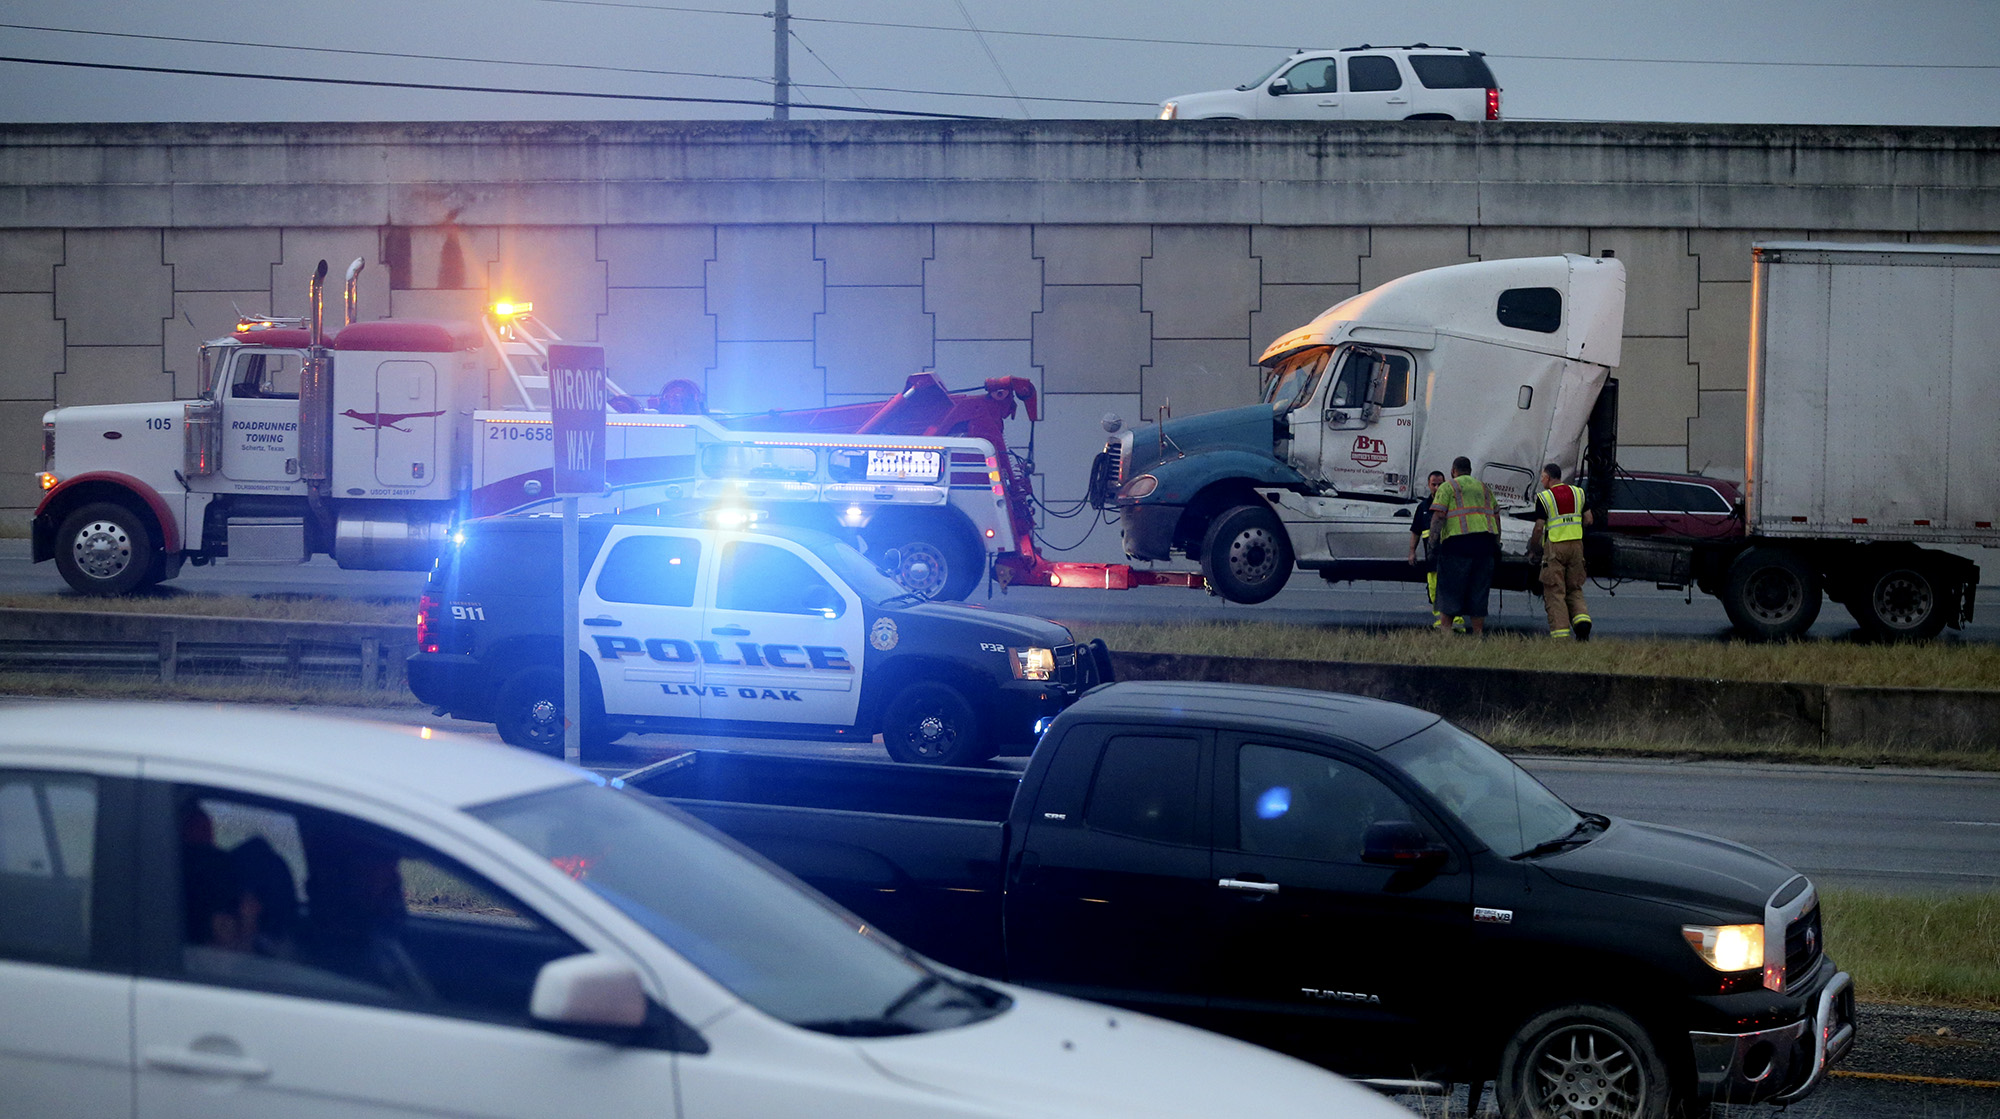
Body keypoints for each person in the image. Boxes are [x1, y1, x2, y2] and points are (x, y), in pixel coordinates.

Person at [1428, 456, 1499, 635]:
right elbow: (1496, 516)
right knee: (1479, 591)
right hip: (1484, 546)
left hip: (1456, 547)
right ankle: (1478, 634)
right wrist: (1496, 544)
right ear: (1470, 470)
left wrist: (1432, 544)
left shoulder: (1448, 487)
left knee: (1450, 589)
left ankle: (1446, 632)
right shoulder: (1484, 488)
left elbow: (1438, 517)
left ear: (1453, 470)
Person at [1531, 462, 1594, 640]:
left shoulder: (1545, 498)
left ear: (1549, 478)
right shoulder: (1578, 492)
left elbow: (1538, 528)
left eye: (1543, 477)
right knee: (1574, 588)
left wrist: (1534, 548)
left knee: (1555, 590)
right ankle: (1582, 620)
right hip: (1576, 546)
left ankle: (1560, 635)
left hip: (1555, 548)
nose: (1542, 480)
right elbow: (1589, 519)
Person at [1406, 470, 1458, 631]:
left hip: (1451, 556)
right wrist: (1412, 552)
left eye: (1440, 484)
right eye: (1433, 484)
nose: (1437, 487)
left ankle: (1457, 622)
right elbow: (1416, 531)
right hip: (1432, 558)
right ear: (1428, 485)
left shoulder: (1452, 504)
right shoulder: (1422, 507)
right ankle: (1440, 622)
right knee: (1434, 591)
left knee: (1452, 589)